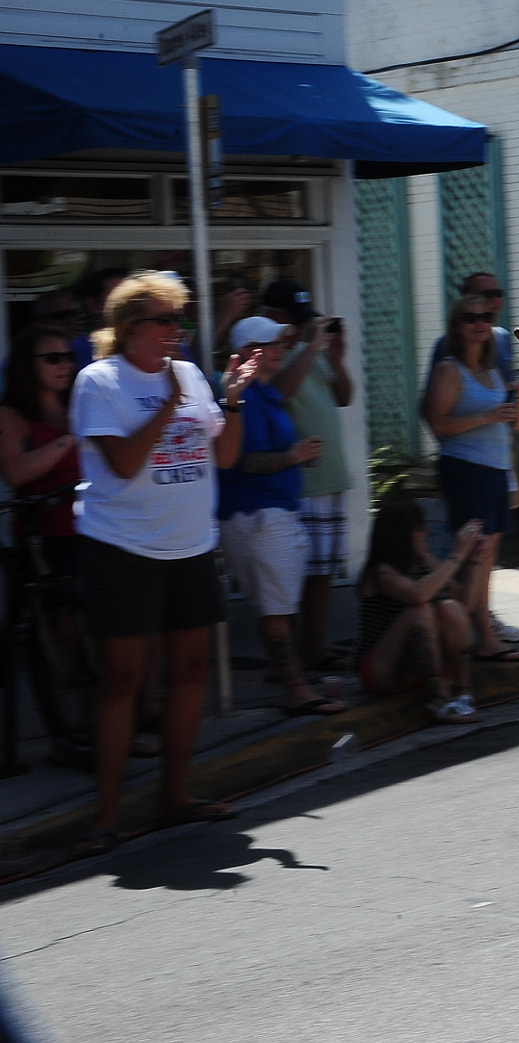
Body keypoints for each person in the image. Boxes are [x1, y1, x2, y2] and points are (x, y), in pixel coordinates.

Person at [70, 272, 258, 854]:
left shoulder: (190, 374)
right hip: (122, 545)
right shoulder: (99, 381)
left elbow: (225, 456)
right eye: (165, 320)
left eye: (180, 320)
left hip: (189, 544)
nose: (177, 330)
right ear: (130, 329)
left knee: (192, 671)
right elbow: (124, 463)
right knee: (123, 680)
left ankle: (173, 795)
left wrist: (230, 398)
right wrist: (170, 406)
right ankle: (105, 815)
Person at [215, 316, 342, 717]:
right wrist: (294, 455)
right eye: (271, 344)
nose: (280, 347)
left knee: (278, 608)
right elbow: (245, 462)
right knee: (276, 612)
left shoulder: (265, 393)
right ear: (249, 352)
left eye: (280, 342)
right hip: (257, 515)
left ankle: (289, 678)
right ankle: (296, 688)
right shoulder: (247, 399)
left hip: (271, 514)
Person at [423, 294, 519, 665]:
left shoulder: (493, 371)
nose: (479, 323)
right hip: (466, 472)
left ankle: (482, 638)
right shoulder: (449, 370)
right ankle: (455, 640)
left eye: (485, 317)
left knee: (486, 561)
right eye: (470, 317)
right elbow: (438, 424)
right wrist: (486, 417)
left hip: (496, 472)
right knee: (471, 558)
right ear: (457, 325)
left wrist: (518, 402)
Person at [1, 325, 89, 759]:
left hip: (93, 531)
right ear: (27, 366)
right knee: (59, 640)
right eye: (51, 358)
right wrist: (68, 440)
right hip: (46, 541)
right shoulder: (13, 415)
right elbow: (15, 473)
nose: (63, 366)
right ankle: (64, 736)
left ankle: (106, 726)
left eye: (67, 357)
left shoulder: (79, 404)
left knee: (104, 633)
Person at [259, 280, 355, 673]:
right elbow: (280, 391)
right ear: (275, 319)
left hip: (331, 478)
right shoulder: (273, 355)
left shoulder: (312, 352)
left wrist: (336, 357)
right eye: (294, 321)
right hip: (301, 481)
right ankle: (288, 658)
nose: (301, 328)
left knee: (323, 573)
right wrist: (312, 345)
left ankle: (314, 648)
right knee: (291, 577)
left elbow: (345, 396)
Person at [355, 499, 484, 723]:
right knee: (420, 611)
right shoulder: (381, 572)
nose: (427, 532)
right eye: (419, 528)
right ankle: (439, 702)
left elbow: (466, 606)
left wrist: (474, 559)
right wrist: (457, 554)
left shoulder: (424, 562)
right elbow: (417, 595)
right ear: (401, 537)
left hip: (423, 668)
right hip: (384, 671)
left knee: (451, 608)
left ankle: (463, 691)